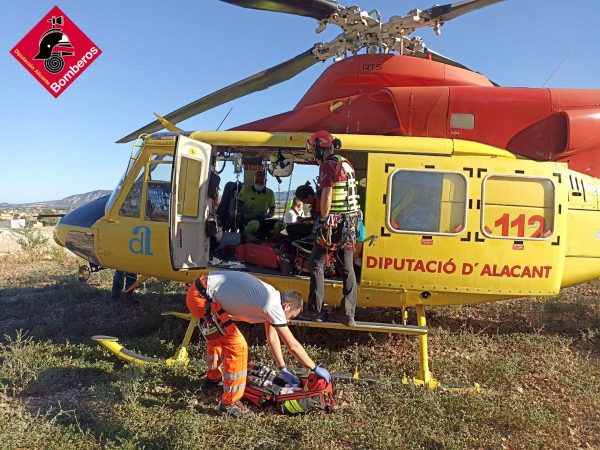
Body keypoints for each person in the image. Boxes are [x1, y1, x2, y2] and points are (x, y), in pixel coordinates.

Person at [186, 270, 331, 418]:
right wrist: (315, 367)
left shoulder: (271, 296)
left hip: (202, 291)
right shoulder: (273, 305)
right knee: (238, 346)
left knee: (219, 337)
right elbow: (292, 345)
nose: (287, 321)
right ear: (287, 306)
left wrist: (283, 369)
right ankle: (230, 404)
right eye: (291, 317)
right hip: (202, 297)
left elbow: (272, 337)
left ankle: (213, 377)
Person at [302, 130, 361, 326]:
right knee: (347, 267)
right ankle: (348, 314)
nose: (313, 154)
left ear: (320, 148)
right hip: (349, 225)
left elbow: (327, 193)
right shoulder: (345, 163)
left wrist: (324, 219)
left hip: (334, 225)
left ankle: (314, 311)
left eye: (313, 149)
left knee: (316, 264)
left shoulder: (328, 165)